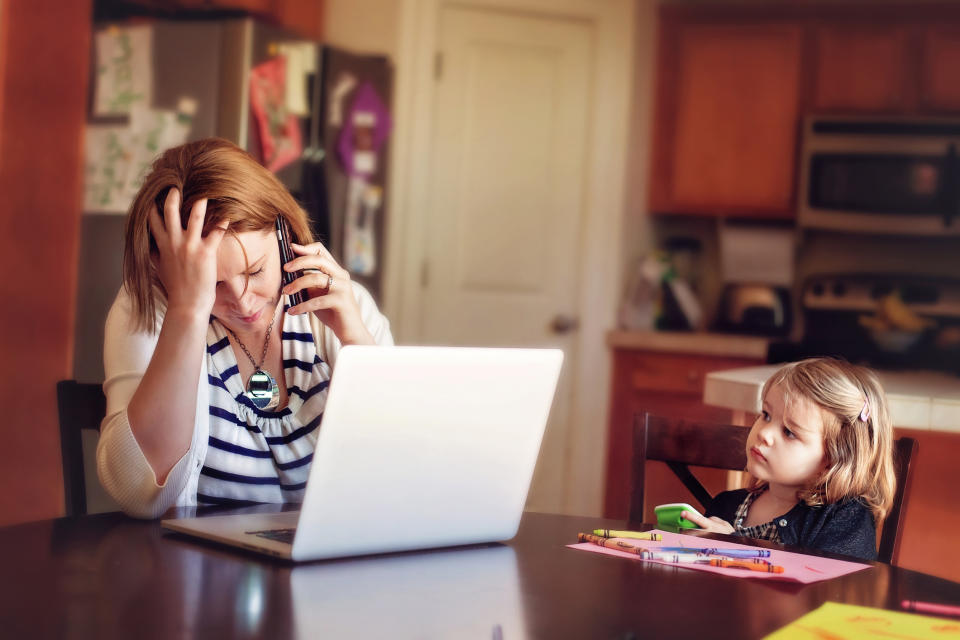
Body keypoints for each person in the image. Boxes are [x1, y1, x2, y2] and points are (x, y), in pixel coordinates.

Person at [97, 138, 393, 518]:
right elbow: (137, 495)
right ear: (162, 268)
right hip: (198, 567)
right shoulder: (148, 309)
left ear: (284, 235)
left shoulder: (343, 305)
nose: (242, 301)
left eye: (255, 271)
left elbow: (395, 469)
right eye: (213, 284)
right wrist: (188, 308)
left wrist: (356, 343)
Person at [680, 358, 896, 561]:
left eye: (789, 432)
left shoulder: (844, 519)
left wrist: (735, 546)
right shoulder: (725, 505)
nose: (764, 433)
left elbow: (827, 585)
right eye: (766, 415)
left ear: (833, 458)